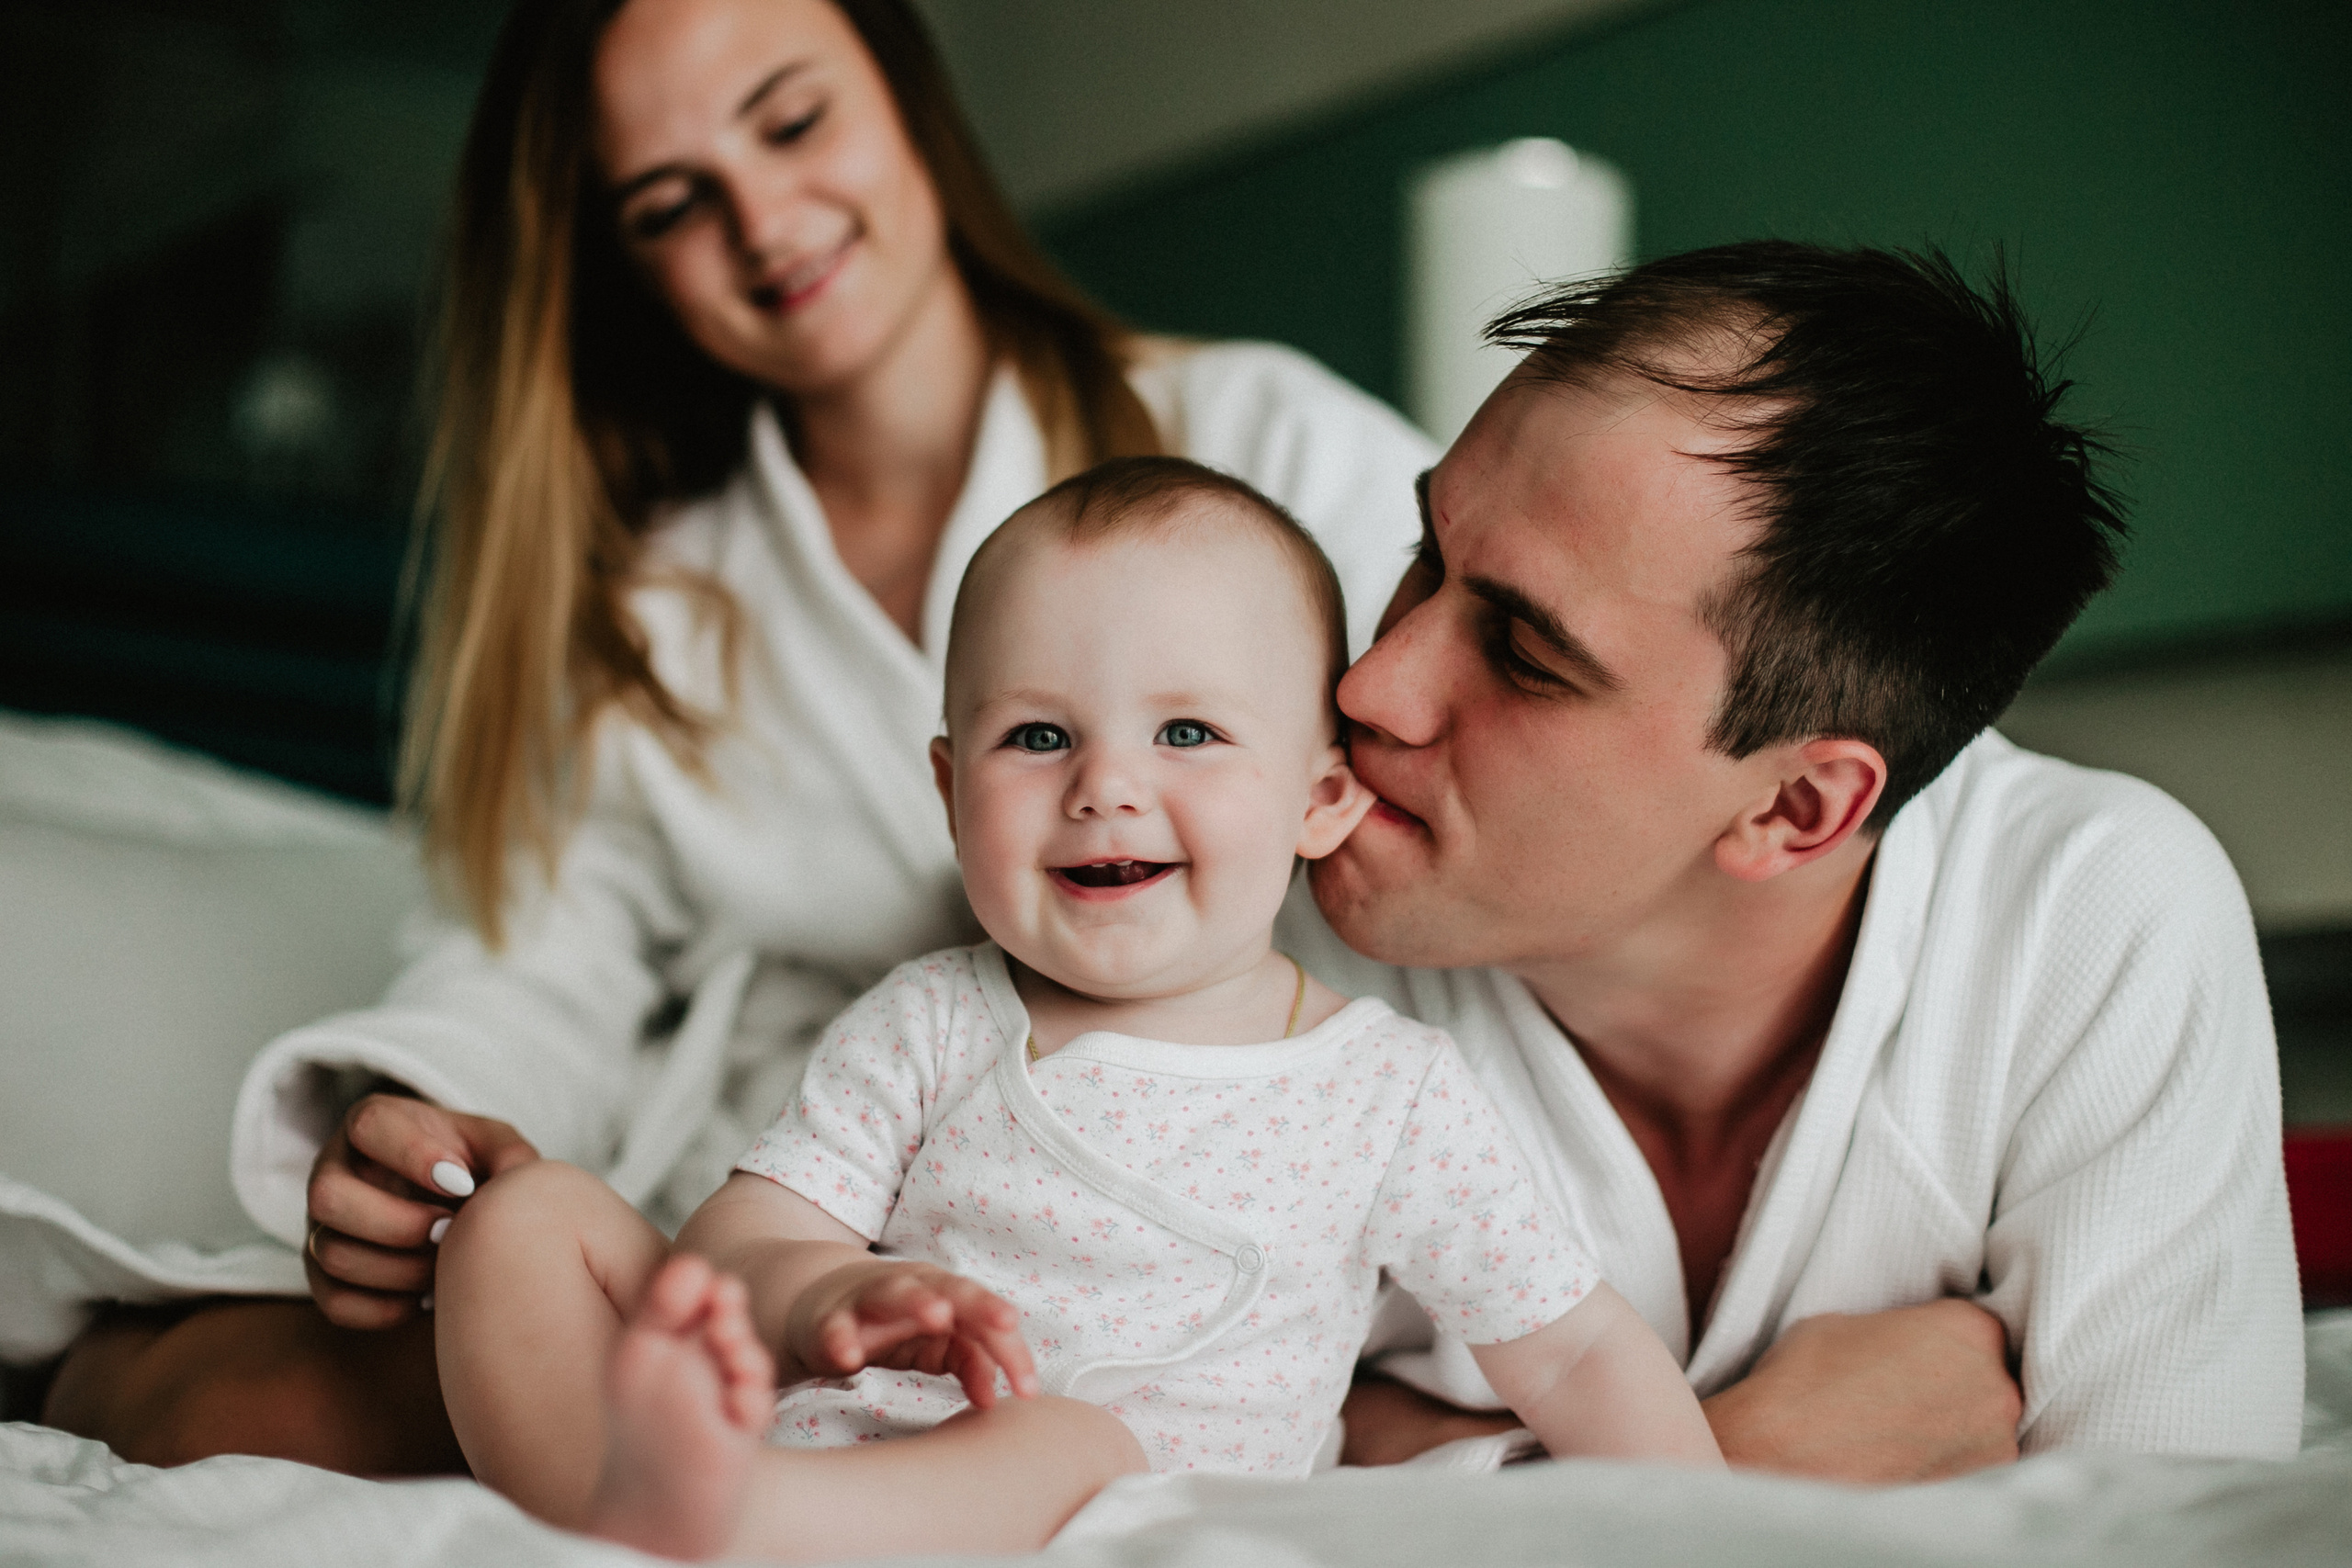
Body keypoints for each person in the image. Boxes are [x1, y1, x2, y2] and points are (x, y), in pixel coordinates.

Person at [40, 0, 1430, 1472]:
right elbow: (543, 951)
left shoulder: (1271, 447)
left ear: (907, 103)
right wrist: (437, 1115)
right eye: (672, 203)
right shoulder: (655, 606)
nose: (765, 224)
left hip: (1172, 1226)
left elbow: (1469, 847)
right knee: (218, 1406)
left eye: (791, 121)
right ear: (625, 263)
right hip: (778, 1239)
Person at [431, 460, 1721, 1562]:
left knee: (1069, 1438)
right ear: (950, 794)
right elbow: (734, 1246)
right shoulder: (933, 1019)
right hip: (803, 1453)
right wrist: (818, 1297)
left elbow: (1573, 1356)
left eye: (1190, 734)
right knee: (524, 1215)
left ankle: (727, 1520)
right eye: (1038, 739)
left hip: (1093, 1523)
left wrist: (1719, 1536)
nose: (1106, 787)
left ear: (1323, 799)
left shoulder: (1390, 1092)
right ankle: (610, 1505)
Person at [1292, 243, 2305, 1473]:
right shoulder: (1240, 888)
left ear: (1798, 809)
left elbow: (2175, 1532)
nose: (1369, 684)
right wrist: (1733, 1468)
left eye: (1522, 653)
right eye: (1425, 559)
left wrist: (1418, 1457)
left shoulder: (2085, 921)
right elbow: (1111, 1451)